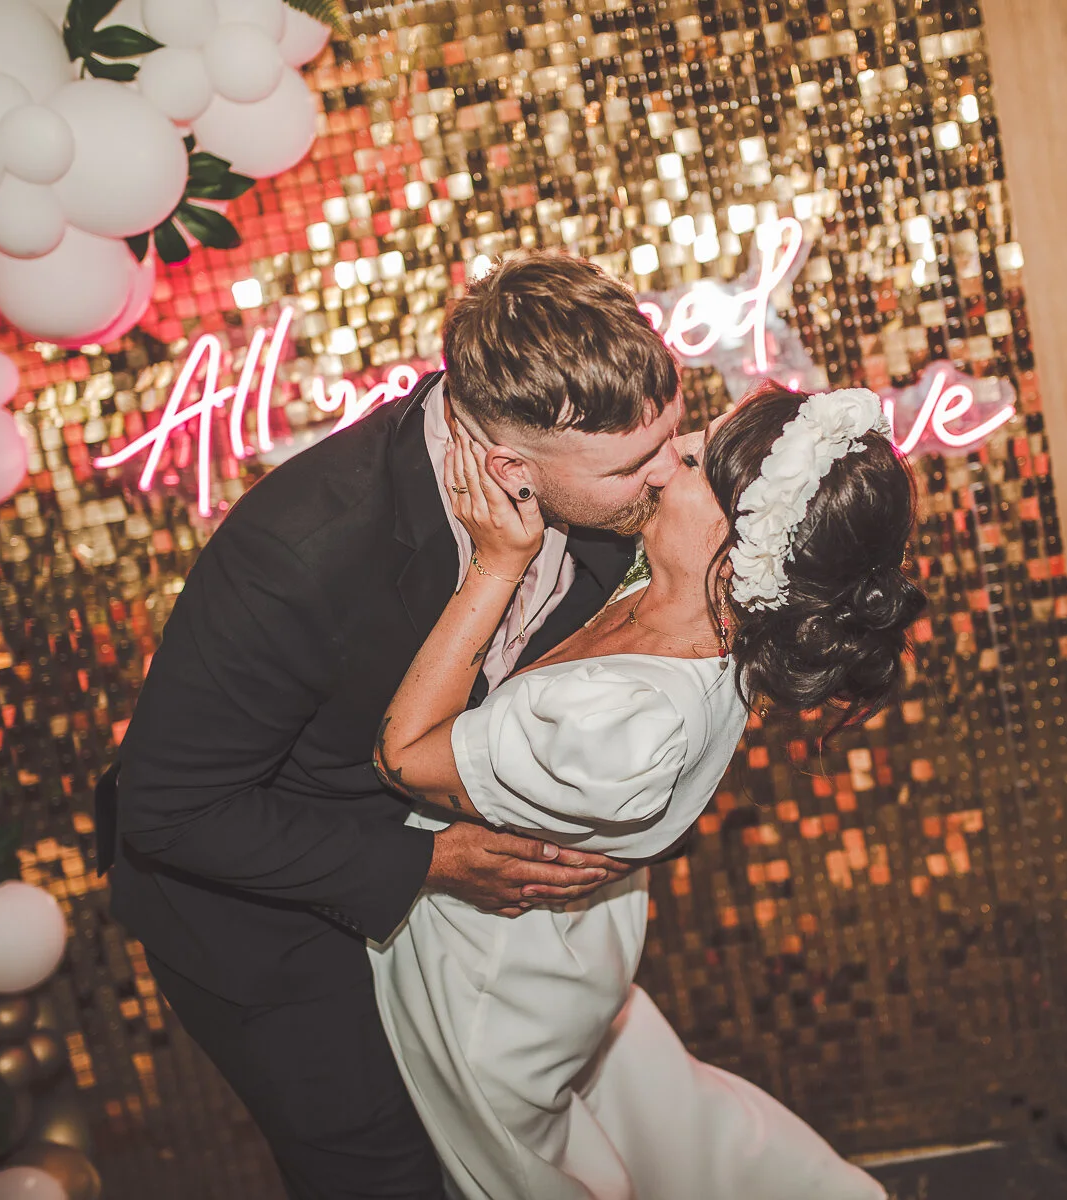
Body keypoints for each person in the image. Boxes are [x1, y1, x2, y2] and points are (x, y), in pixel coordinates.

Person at [98, 252, 689, 1199]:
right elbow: (171, 811)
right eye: (632, 466)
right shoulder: (299, 550)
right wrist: (427, 862)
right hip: (260, 912)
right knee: (388, 1171)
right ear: (508, 467)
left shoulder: (597, 481)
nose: (670, 473)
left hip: (444, 887)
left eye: (672, 434)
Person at [372, 381, 924, 1199]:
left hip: (493, 993)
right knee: (677, 1138)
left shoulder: (633, 724)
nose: (668, 459)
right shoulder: (679, 600)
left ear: (736, 555)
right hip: (576, 950)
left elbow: (404, 756)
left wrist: (497, 563)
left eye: (695, 462)